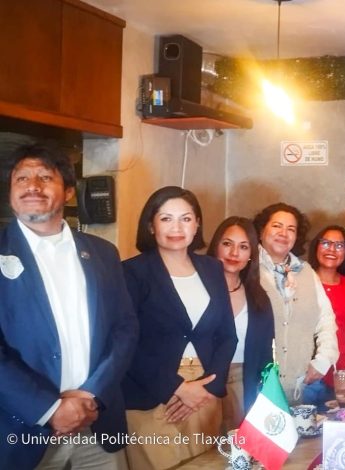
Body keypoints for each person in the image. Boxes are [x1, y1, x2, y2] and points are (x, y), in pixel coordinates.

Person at [0, 144, 138, 469]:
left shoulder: (103, 253)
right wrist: (49, 409)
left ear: (69, 192)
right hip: (23, 429)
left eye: (45, 177)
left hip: (96, 421)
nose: (32, 186)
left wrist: (93, 393)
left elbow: (125, 328)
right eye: (22, 178)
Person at [122, 186, 237, 469]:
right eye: (166, 219)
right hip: (151, 394)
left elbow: (227, 335)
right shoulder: (131, 272)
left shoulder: (212, 268)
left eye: (185, 219)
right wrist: (176, 387)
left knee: (206, 464)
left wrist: (210, 387)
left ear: (197, 224)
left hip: (204, 393)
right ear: (151, 225)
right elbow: (124, 342)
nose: (177, 227)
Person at [253, 203, 338, 405]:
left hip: (301, 385)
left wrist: (323, 361)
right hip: (256, 384)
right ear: (262, 231)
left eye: (291, 229)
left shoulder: (306, 272)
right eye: (277, 226)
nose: (283, 233)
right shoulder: (247, 268)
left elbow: (326, 320)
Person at [207, 216, 274, 431]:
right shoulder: (198, 288)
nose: (234, 253)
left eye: (243, 247)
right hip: (201, 380)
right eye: (227, 244)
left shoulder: (258, 298)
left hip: (242, 381)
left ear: (251, 255)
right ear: (216, 246)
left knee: (237, 445)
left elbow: (265, 354)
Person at [308, 225, 345, 401]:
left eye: (339, 245)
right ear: (316, 246)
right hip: (309, 371)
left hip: (340, 373)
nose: (331, 249)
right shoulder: (303, 282)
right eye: (326, 243)